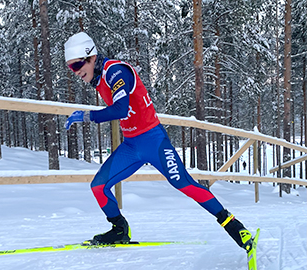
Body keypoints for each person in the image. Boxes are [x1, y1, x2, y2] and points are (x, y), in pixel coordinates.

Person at [64, 32, 254, 251]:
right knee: (98, 186)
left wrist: (88, 116)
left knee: (184, 184)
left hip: (154, 141)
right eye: (71, 68)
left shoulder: (116, 72)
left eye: (78, 64)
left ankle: (235, 227)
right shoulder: (98, 79)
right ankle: (119, 230)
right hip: (131, 146)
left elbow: (121, 108)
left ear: (92, 57)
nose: (76, 72)